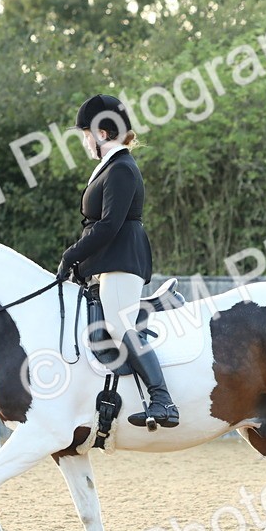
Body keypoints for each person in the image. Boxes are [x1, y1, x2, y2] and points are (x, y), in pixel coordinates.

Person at [56, 94, 179, 429]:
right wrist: (81, 263)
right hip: (111, 258)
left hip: (123, 257)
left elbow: (109, 225)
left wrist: (72, 255)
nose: (84, 142)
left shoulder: (122, 169)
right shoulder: (112, 167)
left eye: (85, 135)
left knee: (117, 324)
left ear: (103, 134)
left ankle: (162, 400)